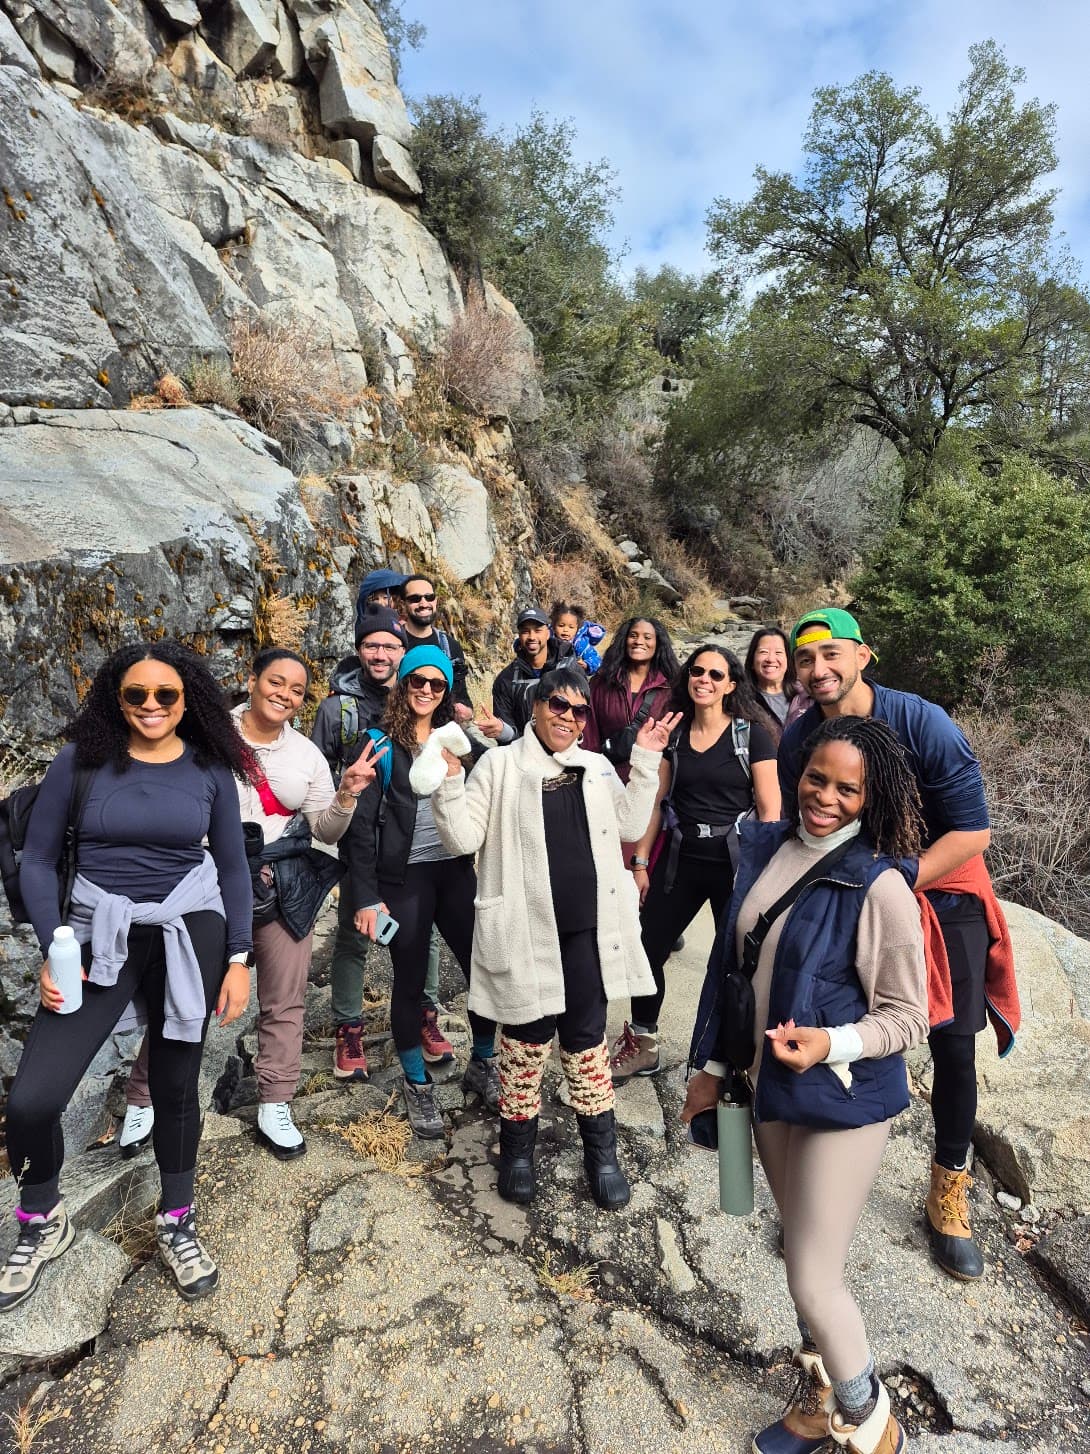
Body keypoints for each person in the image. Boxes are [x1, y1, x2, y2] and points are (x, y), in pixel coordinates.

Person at [684, 716, 930, 1454]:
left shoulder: (879, 887)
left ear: (871, 797)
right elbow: (733, 977)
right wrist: (713, 1071)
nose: (825, 796)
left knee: (814, 1279)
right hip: (766, 1091)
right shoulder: (766, 847)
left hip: (842, 1102)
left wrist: (831, 1042)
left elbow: (909, 1017)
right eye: (816, 778)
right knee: (800, 1254)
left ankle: (872, 1426)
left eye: (846, 788)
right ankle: (819, 1396)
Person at [1, 642, 253, 1310]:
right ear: (115, 698)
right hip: (95, 930)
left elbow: (231, 868)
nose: (150, 706)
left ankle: (176, 1219)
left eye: (164, 695)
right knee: (32, 1100)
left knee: (174, 1085)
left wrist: (237, 959)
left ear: (187, 699)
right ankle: (40, 1216)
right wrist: (56, 949)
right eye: (135, 694)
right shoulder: (79, 762)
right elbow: (37, 859)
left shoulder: (208, 769)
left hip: (186, 927)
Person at [778, 607, 1019, 1284]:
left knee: (951, 1045)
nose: (818, 668)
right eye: (805, 659)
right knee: (829, 1031)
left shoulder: (921, 723)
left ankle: (949, 1189)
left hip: (941, 889)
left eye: (831, 653)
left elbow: (972, 833)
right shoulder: (802, 738)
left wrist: (899, 878)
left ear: (863, 656)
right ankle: (820, 1197)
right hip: (854, 891)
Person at [431, 668, 681, 1209]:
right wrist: (450, 783)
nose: (569, 718)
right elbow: (462, 838)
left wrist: (644, 760)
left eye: (580, 710)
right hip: (523, 933)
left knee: (587, 1039)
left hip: (588, 935)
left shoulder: (593, 768)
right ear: (535, 707)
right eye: (558, 706)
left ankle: (602, 1154)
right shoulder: (497, 765)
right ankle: (519, 1152)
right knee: (524, 1041)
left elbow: (632, 823)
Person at [120, 648, 378, 1162]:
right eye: (275, 682)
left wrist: (346, 794)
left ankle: (275, 1102)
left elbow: (325, 831)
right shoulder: (206, 735)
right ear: (252, 681)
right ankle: (144, 1099)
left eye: (297, 690)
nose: (284, 694)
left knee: (285, 998)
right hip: (206, 882)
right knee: (184, 991)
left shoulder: (305, 755)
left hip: (280, 884)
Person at [339, 646, 498, 1138]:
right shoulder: (376, 745)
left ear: (447, 691)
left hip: (453, 869)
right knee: (409, 979)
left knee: (485, 969)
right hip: (402, 878)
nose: (427, 690)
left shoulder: (459, 742)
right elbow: (359, 832)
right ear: (402, 685)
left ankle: (484, 1060)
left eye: (437, 684)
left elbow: (499, 786)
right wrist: (366, 897)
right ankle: (416, 1083)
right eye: (417, 681)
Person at [610, 645, 782, 1085]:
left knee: (737, 962)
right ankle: (644, 1043)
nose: (703, 679)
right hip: (680, 859)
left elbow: (770, 810)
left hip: (735, 863)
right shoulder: (678, 733)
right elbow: (655, 804)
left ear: (730, 685)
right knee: (647, 948)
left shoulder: (752, 736)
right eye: (697, 671)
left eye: (715, 674)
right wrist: (641, 861)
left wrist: (768, 876)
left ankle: (734, 1056)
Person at [312, 608, 452, 1075]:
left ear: (404, 655)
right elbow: (316, 776)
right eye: (371, 645)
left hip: (412, 848)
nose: (380, 653)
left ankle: (424, 1016)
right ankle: (349, 1027)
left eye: (390, 646)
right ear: (358, 650)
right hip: (359, 836)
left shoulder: (422, 694)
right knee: (354, 933)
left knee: (423, 937)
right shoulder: (339, 708)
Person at [581, 616, 680, 780]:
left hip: (653, 780)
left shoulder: (669, 687)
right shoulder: (602, 682)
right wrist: (591, 773)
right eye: (633, 635)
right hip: (608, 778)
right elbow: (589, 731)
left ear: (658, 644)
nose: (639, 641)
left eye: (647, 637)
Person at [490, 607, 579, 743]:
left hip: (567, 753)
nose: (532, 637)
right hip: (525, 754)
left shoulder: (571, 669)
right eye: (525, 631)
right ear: (519, 636)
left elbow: (584, 717)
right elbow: (507, 731)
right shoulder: (506, 680)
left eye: (538, 630)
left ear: (548, 633)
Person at [400, 573, 473, 721]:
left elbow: (462, 696)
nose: (423, 603)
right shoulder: (392, 643)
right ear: (403, 604)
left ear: (436, 601)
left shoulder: (450, 646)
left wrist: (466, 712)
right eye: (415, 598)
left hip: (440, 730)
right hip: (399, 725)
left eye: (429, 597)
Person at [744, 626, 800, 732]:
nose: (770, 659)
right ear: (752, 660)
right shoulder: (740, 700)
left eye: (778, 652)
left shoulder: (806, 696)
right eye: (763, 652)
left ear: (788, 660)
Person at [352, 566, 408, 642]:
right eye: (376, 599)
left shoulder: (404, 619)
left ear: (394, 599)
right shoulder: (368, 619)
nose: (380, 603)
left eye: (385, 597)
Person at [550, 601, 605, 676]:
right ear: (553, 626)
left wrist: (586, 665)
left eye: (571, 627)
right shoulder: (548, 641)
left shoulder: (580, 644)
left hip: (574, 679)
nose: (566, 630)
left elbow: (597, 660)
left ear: (577, 629)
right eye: (561, 625)